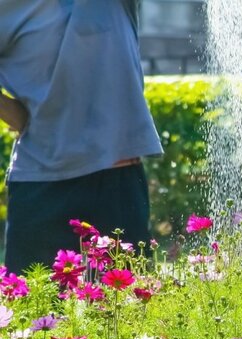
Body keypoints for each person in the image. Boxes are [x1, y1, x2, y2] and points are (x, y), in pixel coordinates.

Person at [0, 0, 163, 274]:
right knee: (34, 310)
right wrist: (12, 113)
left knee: (127, 311)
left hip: (117, 178)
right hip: (40, 183)